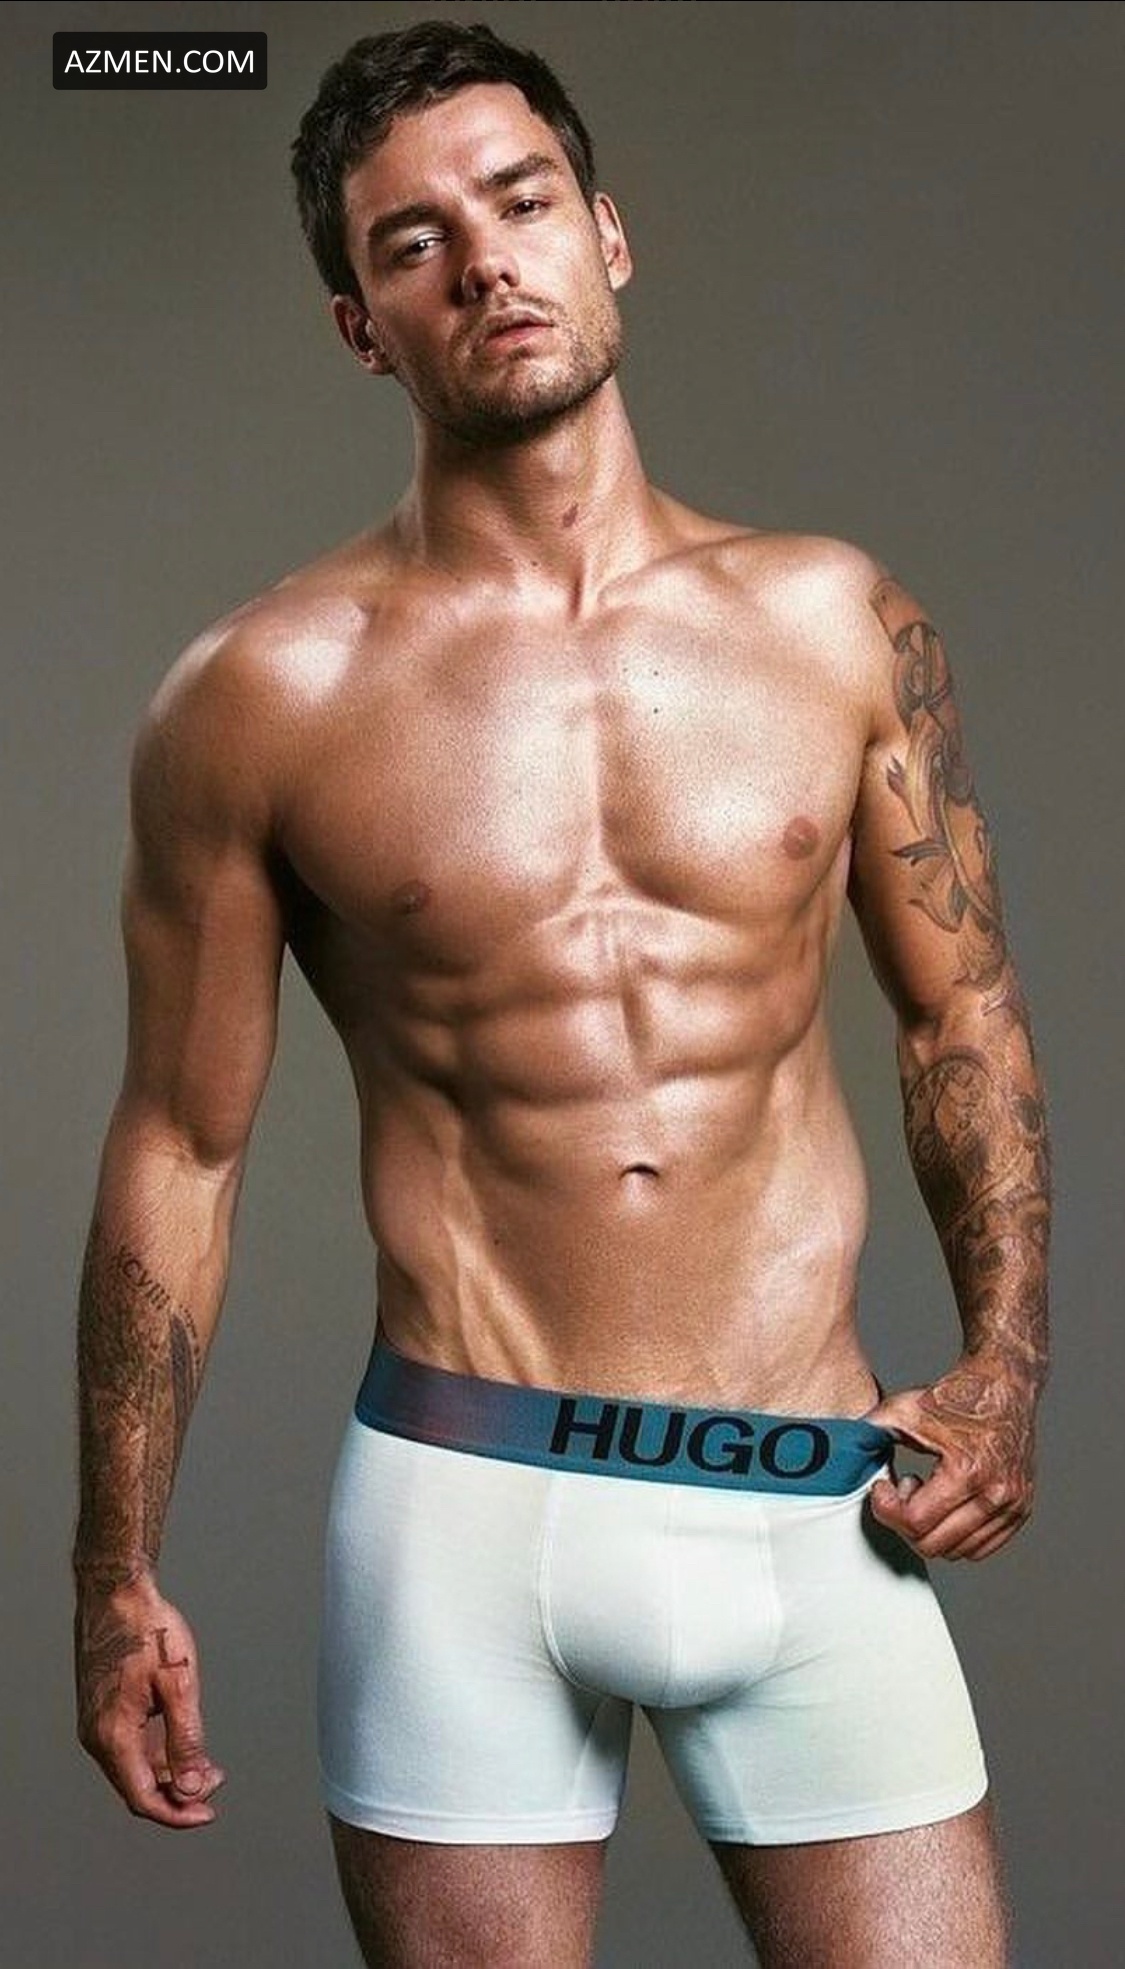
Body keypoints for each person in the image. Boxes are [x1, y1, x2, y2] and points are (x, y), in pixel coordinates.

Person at [72, 19, 1050, 1967]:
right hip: (467, 1511)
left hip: (817, 1495)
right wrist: (114, 1567)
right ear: (360, 325)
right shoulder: (263, 696)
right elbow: (181, 1141)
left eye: (517, 203)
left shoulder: (834, 623)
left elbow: (962, 1012)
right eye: (412, 242)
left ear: (605, 231)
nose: (482, 262)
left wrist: (1004, 1356)